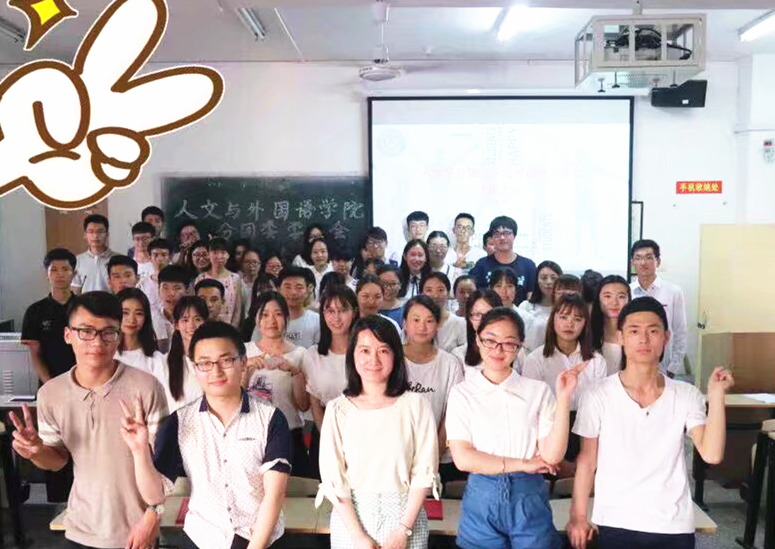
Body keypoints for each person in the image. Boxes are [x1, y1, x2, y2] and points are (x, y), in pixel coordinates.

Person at [567, 297, 734, 549]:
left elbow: (711, 454)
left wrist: (717, 395)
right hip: (616, 520)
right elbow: (588, 460)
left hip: (672, 523)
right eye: (634, 331)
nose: (643, 339)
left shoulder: (685, 394)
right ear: (621, 337)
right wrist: (578, 517)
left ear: (666, 338)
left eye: (653, 331)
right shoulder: (597, 394)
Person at [11, 292, 167, 549]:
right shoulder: (51, 394)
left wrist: (153, 515)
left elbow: (162, 465)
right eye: (85, 331)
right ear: (67, 335)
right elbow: (57, 461)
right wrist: (37, 452)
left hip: (136, 532)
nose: (97, 342)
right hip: (80, 528)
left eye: (108, 332)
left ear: (119, 336)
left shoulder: (146, 387)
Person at [120, 321, 291, 549]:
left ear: (243, 362)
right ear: (194, 368)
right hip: (203, 538)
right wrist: (140, 450)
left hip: (260, 539)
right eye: (205, 363)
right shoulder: (179, 422)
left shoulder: (271, 418)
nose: (216, 371)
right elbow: (155, 496)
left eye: (226, 360)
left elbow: (274, 495)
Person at [446, 307, 584, 549]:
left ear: (520, 346)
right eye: (490, 340)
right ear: (477, 339)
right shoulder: (462, 393)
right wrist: (524, 464)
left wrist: (563, 399)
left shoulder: (538, 391)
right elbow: (463, 459)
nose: (498, 350)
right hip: (482, 494)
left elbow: (552, 456)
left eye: (509, 343)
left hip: (528, 494)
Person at [316, 315, 439, 549]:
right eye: (364, 351)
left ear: (395, 355)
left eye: (383, 351)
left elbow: (424, 471)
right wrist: (358, 536)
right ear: (352, 355)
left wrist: (403, 529)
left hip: (405, 521)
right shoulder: (337, 409)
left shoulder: (416, 405)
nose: (373, 360)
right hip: (352, 524)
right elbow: (334, 479)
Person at [522, 294, 608, 473]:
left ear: (585, 324)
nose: (570, 323)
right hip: (548, 429)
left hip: (586, 430)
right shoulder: (535, 359)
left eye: (577, 319)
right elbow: (532, 411)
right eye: (563, 317)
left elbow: (599, 410)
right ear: (552, 319)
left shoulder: (596, 361)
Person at [244, 292, 310, 477]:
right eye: (264, 314)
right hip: (250, 436)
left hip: (289, 434)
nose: (271, 320)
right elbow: (234, 398)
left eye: (278, 314)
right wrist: (245, 369)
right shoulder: (244, 351)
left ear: (287, 318)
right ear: (256, 319)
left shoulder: (300, 354)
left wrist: (294, 372)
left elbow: (303, 405)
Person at [402, 295, 465, 484]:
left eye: (429, 321)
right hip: (395, 454)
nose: (422, 327)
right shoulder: (391, 357)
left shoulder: (450, 363)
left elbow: (451, 414)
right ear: (404, 323)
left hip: (437, 454)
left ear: (437, 325)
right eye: (416, 320)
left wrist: (433, 455)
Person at [302, 286, 358, 478]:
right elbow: (314, 402)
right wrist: (327, 436)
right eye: (330, 311)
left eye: (342, 310)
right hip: (325, 432)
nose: (336, 318)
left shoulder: (364, 351)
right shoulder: (313, 355)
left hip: (361, 431)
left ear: (354, 312)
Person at [629, 239, 688, 377]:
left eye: (649, 257)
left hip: (663, 367)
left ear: (658, 261)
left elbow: (680, 331)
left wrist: (673, 367)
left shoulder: (673, 292)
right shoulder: (627, 292)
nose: (643, 263)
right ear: (632, 262)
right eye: (638, 258)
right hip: (632, 366)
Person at [22, 248, 77, 384]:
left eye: (65, 269)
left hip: (82, 383)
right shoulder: (35, 311)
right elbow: (35, 354)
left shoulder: (84, 307)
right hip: (48, 383)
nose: (60, 274)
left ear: (74, 273)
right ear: (47, 274)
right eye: (54, 270)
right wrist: (50, 385)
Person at [452, 289, 526, 377]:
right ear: (469, 318)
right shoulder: (459, 355)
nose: (483, 320)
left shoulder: (516, 350)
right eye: (477, 315)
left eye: (489, 314)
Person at [154, 296, 207, 412]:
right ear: (176, 325)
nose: (191, 326)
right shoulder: (163, 364)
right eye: (185, 320)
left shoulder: (213, 362)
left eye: (197, 319)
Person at [470, 216, 536, 305]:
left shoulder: (528, 266)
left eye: (506, 233)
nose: (502, 237)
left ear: (514, 235)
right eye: (497, 234)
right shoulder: (481, 265)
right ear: (492, 237)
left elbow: (531, 297)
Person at [115, 288, 166, 374]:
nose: (132, 320)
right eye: (125, 313)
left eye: (138, 313)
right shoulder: (106, 355)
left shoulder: (156, 360)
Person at [195, 237, 243, 327]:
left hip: (228, 327)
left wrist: (233, 328)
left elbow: (238, 309)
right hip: (205, 327)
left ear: (228, 255)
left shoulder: (235, 278)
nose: (219, 256)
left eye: (223, 253)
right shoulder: (200, 278)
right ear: (208, 254)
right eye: (215, 253)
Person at [518, 261, 563, 352]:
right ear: (537, 280)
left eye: (553, 278)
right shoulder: (525, 306)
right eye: (544, 278)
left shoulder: (564, 309)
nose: (549, 282)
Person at [591, 275, 631, 375]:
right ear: (598, 299)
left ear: (629, 300)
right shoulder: (588, 333)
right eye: (607, 296)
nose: (614, 302)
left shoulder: (634, 334)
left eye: (621, 297)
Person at [71, 214, 117, 294]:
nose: (95, 236)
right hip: (85, 302)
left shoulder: (117, 259)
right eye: (91, 231)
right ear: (85, 235)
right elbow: (75, 292)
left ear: (107, 234)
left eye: (100, 232)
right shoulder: (78, 261)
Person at [276, 266, 320, 348]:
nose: (293, 292)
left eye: (299, 287)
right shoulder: (267, 319)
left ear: (308, 290)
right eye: (287, 287)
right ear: (278, 290)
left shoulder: (317, 321)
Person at [421, 272, 466, 352]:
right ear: (421, 293)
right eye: (429, 290)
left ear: (448, 293)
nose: (435, 295)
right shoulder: (413, 322)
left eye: (440, 290)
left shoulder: (460, 323)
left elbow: (465, 354)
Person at [152, 264, 192, 353]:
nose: (171, 293)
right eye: (165, 288)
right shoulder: (151, 318)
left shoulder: (193, 320)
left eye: (177, 288)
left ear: (187, 291)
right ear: (158, 290)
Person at [137, 238, 173, 311]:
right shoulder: (142, 284)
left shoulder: (180, 281)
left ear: (170, 257)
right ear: (149, 257)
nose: (160, 259)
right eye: (155, 255)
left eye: (163, 255)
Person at [305, 237, 333, 302]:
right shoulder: (306, 273)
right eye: (315, 252)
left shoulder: (334, 270)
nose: (319, 255)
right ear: (310, 254)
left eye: (323, 251)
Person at [239, 249, 261, 318]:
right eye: (247, 262)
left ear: (260, 264)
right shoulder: (238, 284)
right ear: (242, 264)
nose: (251, 265)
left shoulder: (264, 284)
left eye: (255, 262)